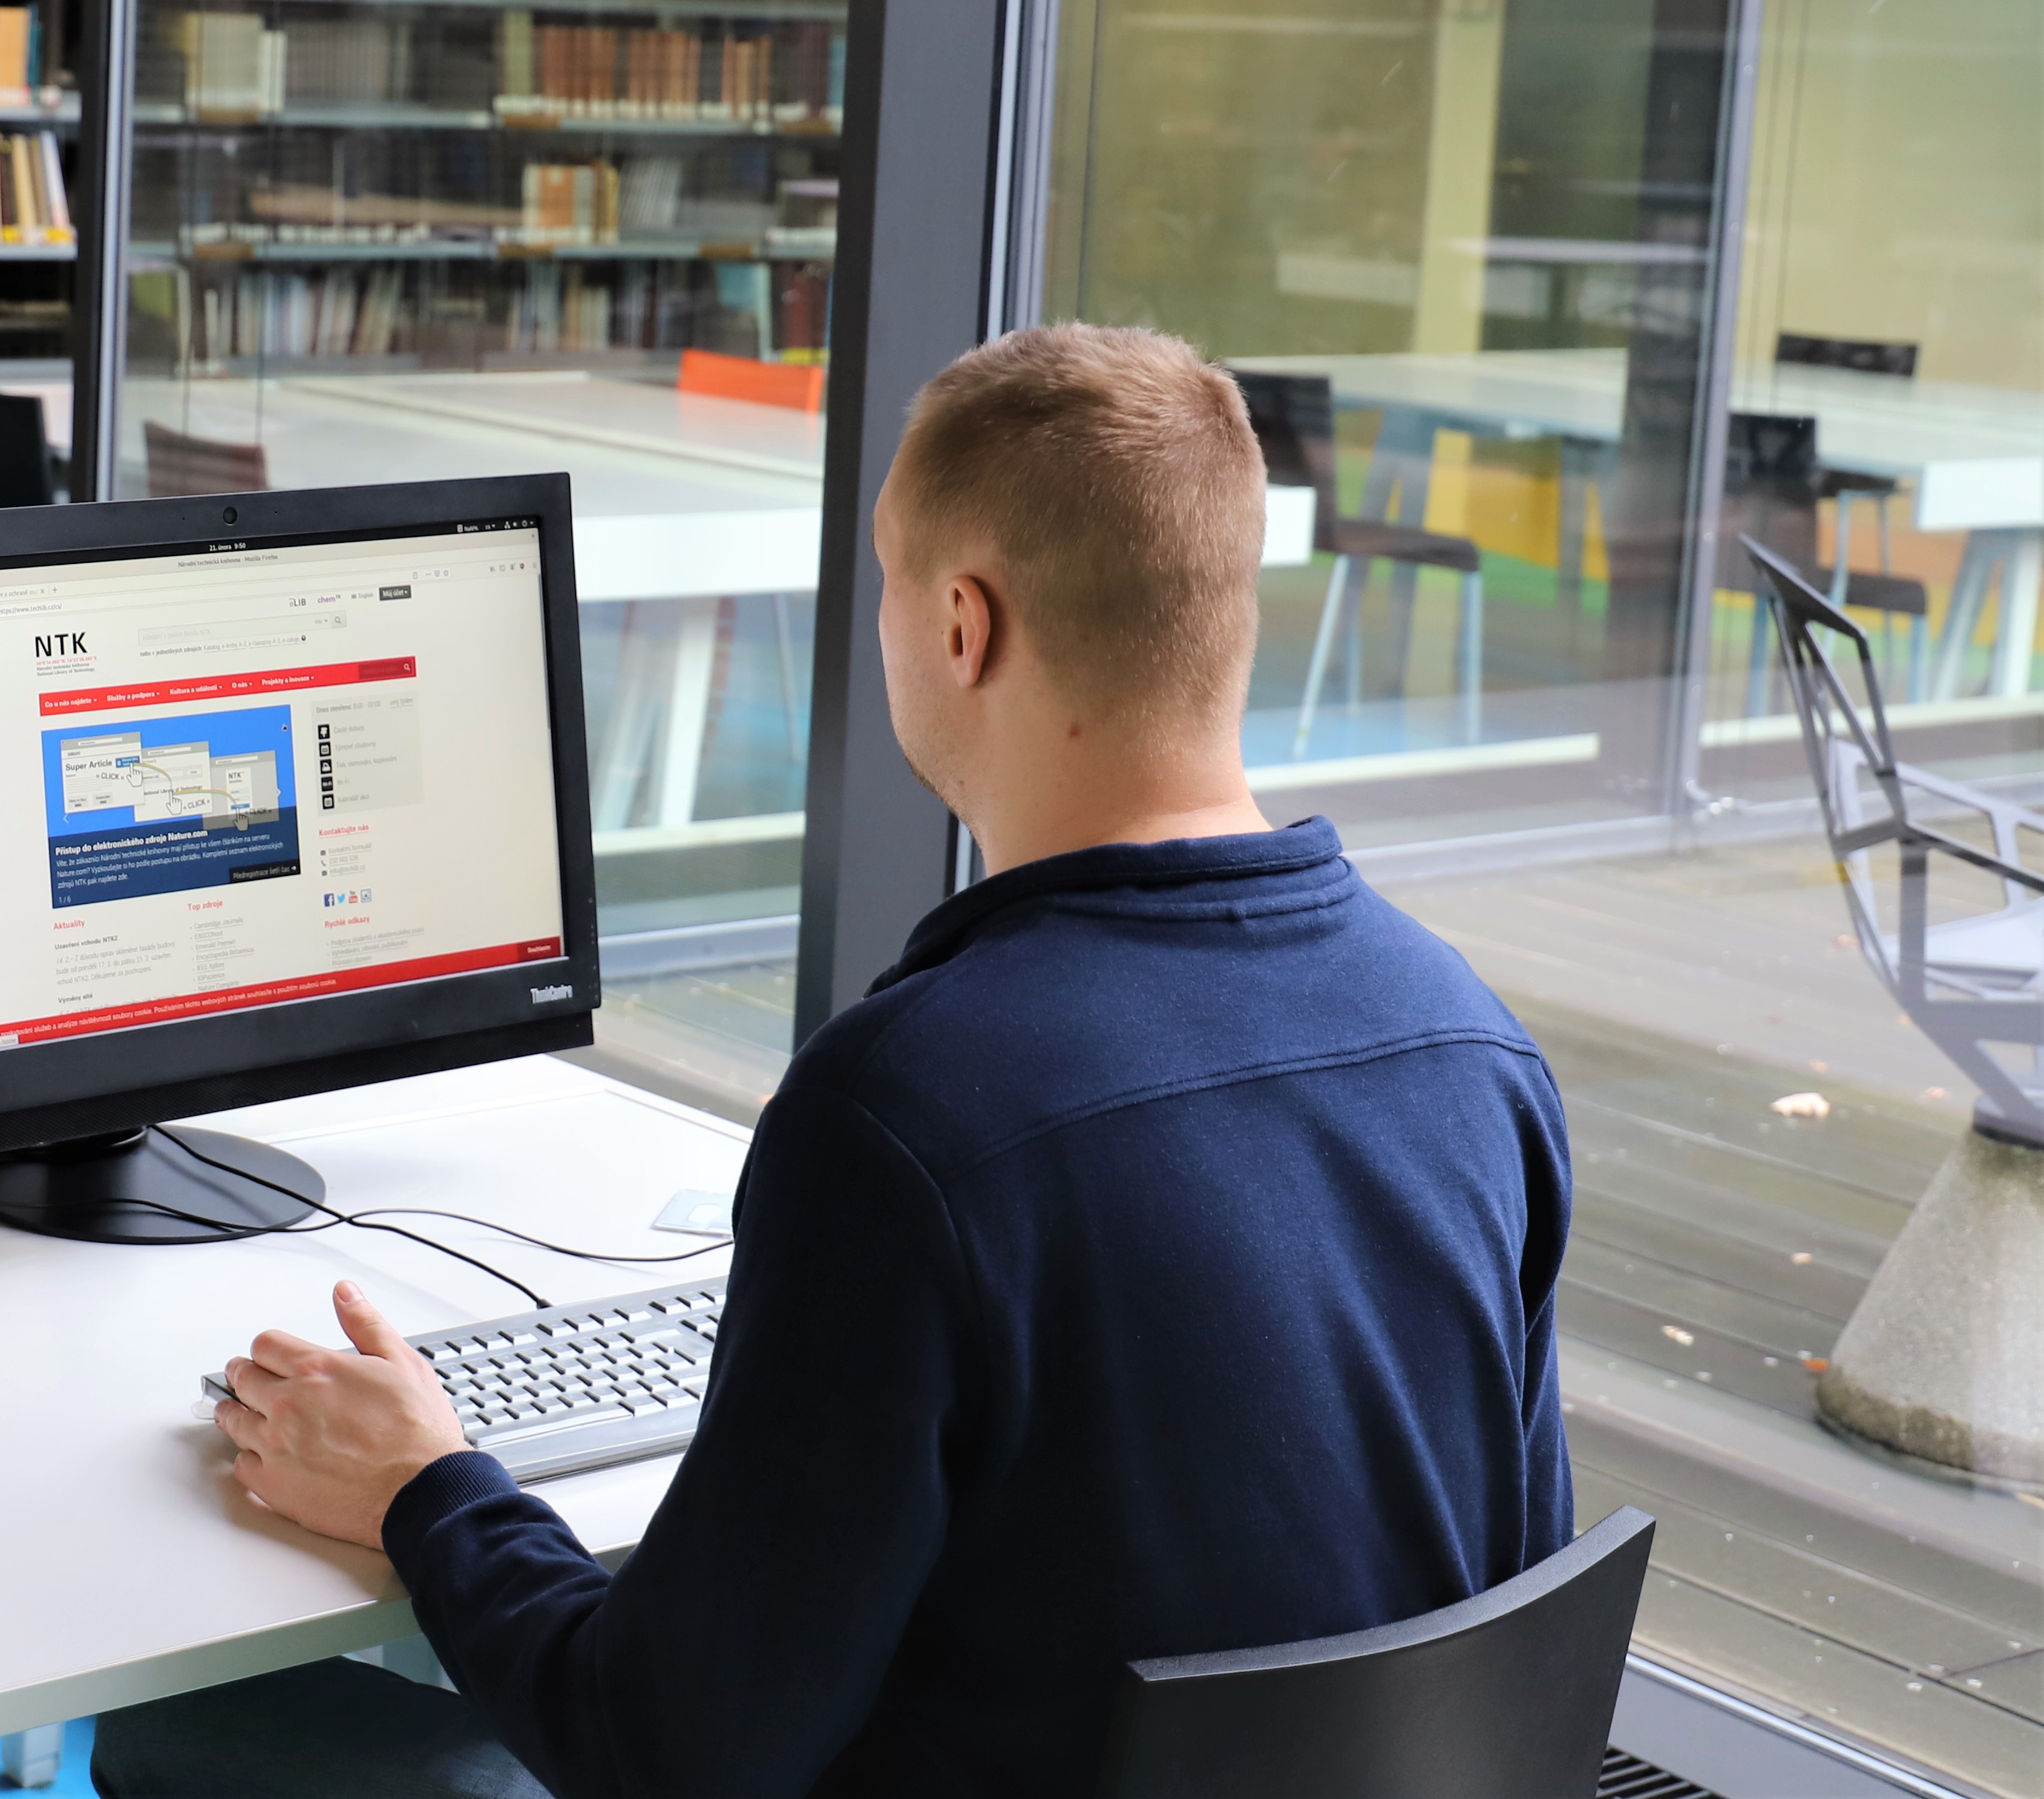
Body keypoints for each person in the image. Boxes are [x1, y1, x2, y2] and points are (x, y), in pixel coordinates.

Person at [102, 324, 1575, 1797]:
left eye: (883, 582)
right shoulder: (1472, 1045)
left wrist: (431, 1485)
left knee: (191, 1736)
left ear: (960, 624)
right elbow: (1502, 1615)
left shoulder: (914, 1112)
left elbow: (665, 1750)